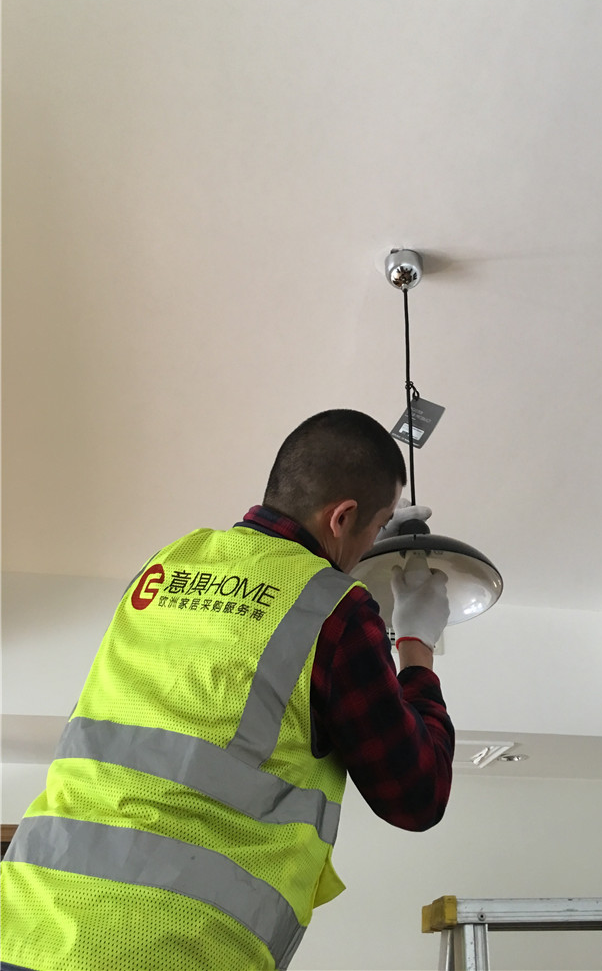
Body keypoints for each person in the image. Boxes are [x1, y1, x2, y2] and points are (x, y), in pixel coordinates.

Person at [0, 409, 454, 971]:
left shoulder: (166, 564)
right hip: (166, 950)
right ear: (342, 517)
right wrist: (415, 642)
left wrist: (358, 553)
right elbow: (417, 795)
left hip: (24, 927)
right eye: (376, 525)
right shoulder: (336, 610)